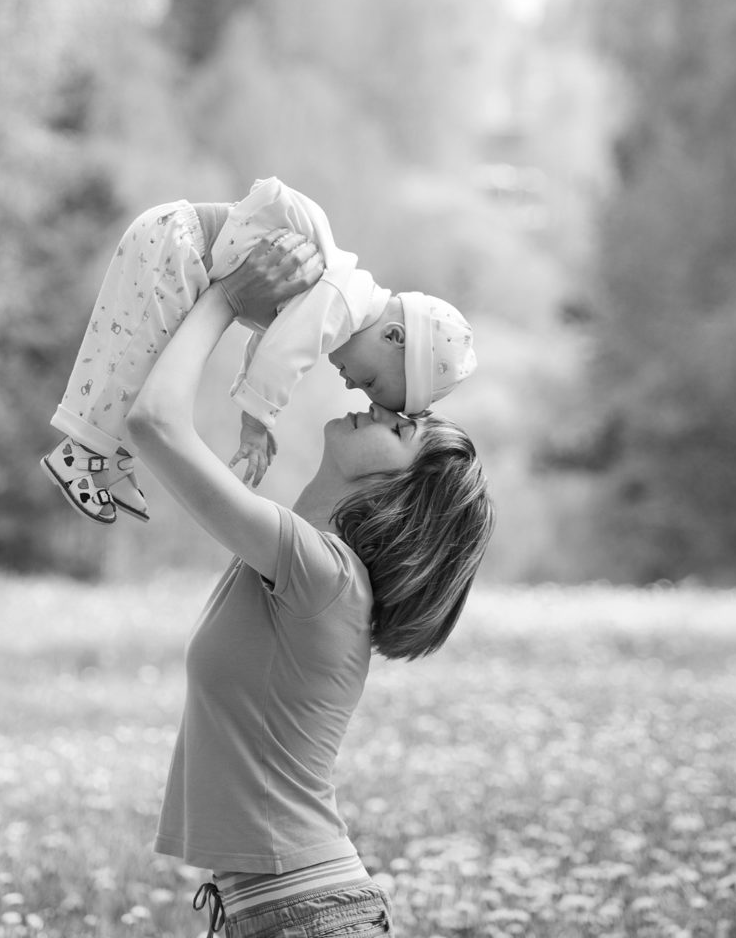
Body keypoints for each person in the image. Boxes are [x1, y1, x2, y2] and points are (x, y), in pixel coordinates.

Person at [122, 236, 495, 938]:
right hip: (288, 912)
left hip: (303, 915)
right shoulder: (307, 567)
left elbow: (155, 424)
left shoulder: (320, 572)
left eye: (406, 428)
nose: (387, 411)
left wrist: (227, 299)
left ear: (400, 490)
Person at [40, 177, 476, 524]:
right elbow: (281, 355)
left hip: (178, 248)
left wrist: (250, 397)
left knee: (152, 362)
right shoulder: (342, 301)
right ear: (394, 337)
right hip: (179, 245)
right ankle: (79, 455)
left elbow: (267, 342)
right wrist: (255, 421)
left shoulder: (338, 296)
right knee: (137, 356)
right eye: (369, 382)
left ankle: (110, 461)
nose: (348, 382)